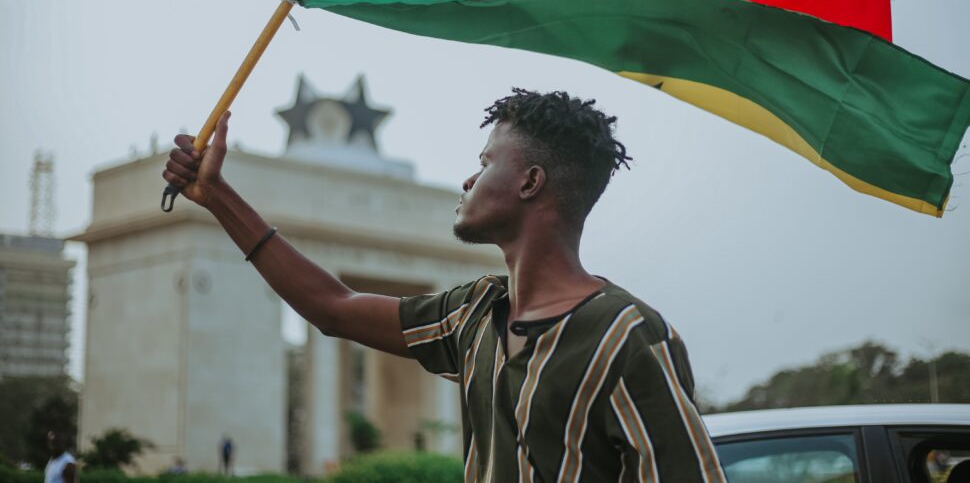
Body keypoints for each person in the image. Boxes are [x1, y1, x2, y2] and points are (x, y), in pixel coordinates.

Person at [164, 88, 727, 482]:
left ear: (531, 182)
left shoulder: (627, 335)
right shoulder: (474, 314)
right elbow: (332, 307)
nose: (467, 178)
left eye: (484, 162)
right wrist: (217, 197)